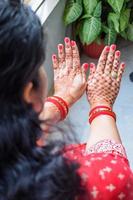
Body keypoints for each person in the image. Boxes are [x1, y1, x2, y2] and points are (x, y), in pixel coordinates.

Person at [0, 1, 132, 200]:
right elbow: (110, 164)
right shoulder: (90, 184)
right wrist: (101, 105)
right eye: (39, 63)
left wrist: (64, 98)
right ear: (29, 91)